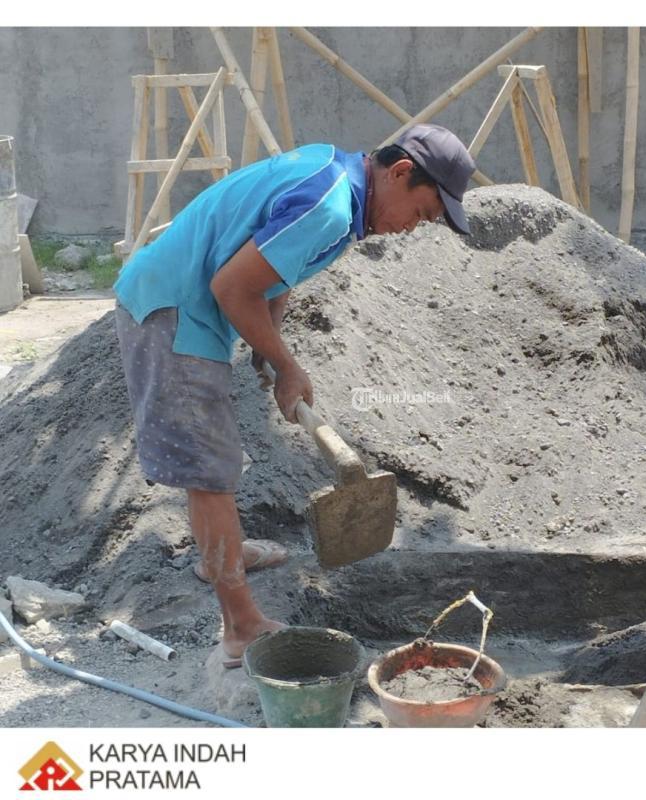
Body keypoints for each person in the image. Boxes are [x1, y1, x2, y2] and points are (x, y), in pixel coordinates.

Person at [113, 124, 476, 667]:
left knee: (213, 463)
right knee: (210, 472)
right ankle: (240, 627)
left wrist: (270, 340)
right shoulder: (329, 209)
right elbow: (232, 287)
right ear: (401, 172)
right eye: (421, 214)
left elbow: (272, 269)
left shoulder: (336, 175)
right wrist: (286, 365)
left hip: (182, 300)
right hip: (173, 311)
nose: (410, 229)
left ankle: (223, 555)